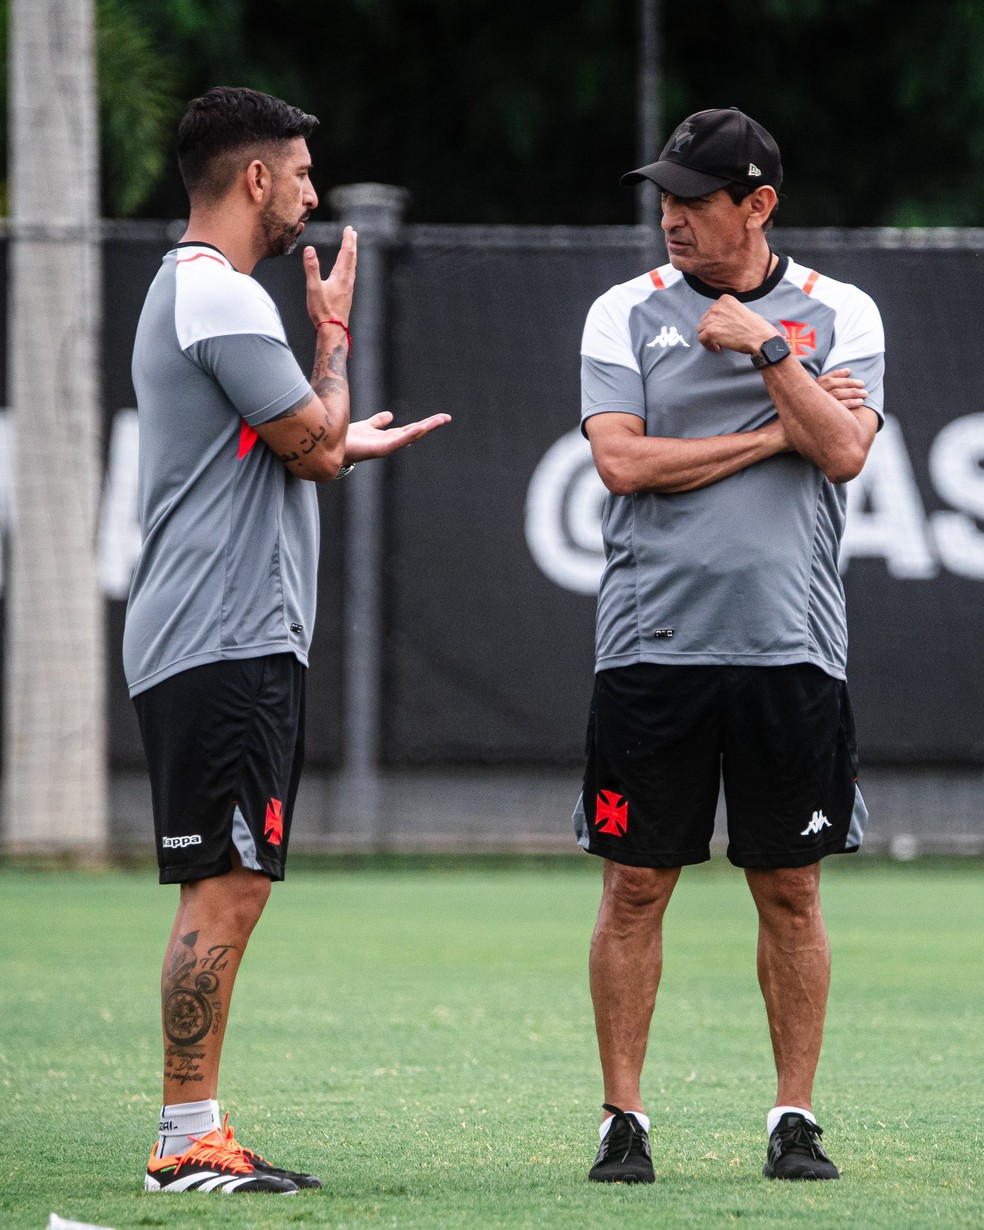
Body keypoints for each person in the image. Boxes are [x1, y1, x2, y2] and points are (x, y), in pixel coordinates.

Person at [124, 86, 450, 1195]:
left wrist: (326, 403)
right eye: (303, 172)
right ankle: (184, 1144)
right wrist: (335, 341)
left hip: (226, 635)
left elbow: (307, 439)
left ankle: (196, 1132)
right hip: (219, 635)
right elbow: (314, 447)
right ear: (254, 177)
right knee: (225, 885)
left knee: (232, 881)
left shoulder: (207, 299)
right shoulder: (220, 299)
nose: (313, 191)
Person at [573, 107, 884, 1184]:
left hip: (793, 648)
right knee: (636, 888)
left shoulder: (842, 311)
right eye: (664, 197)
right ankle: (626, 1120)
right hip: (648, 649)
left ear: (757, 207)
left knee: (790, 888)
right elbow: (623, 465)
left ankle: (793, 1117)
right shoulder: (624, 311)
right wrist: (773, 429)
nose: (669, 217)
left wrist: (764, 347)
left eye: (694, 200)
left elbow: (843, 451)